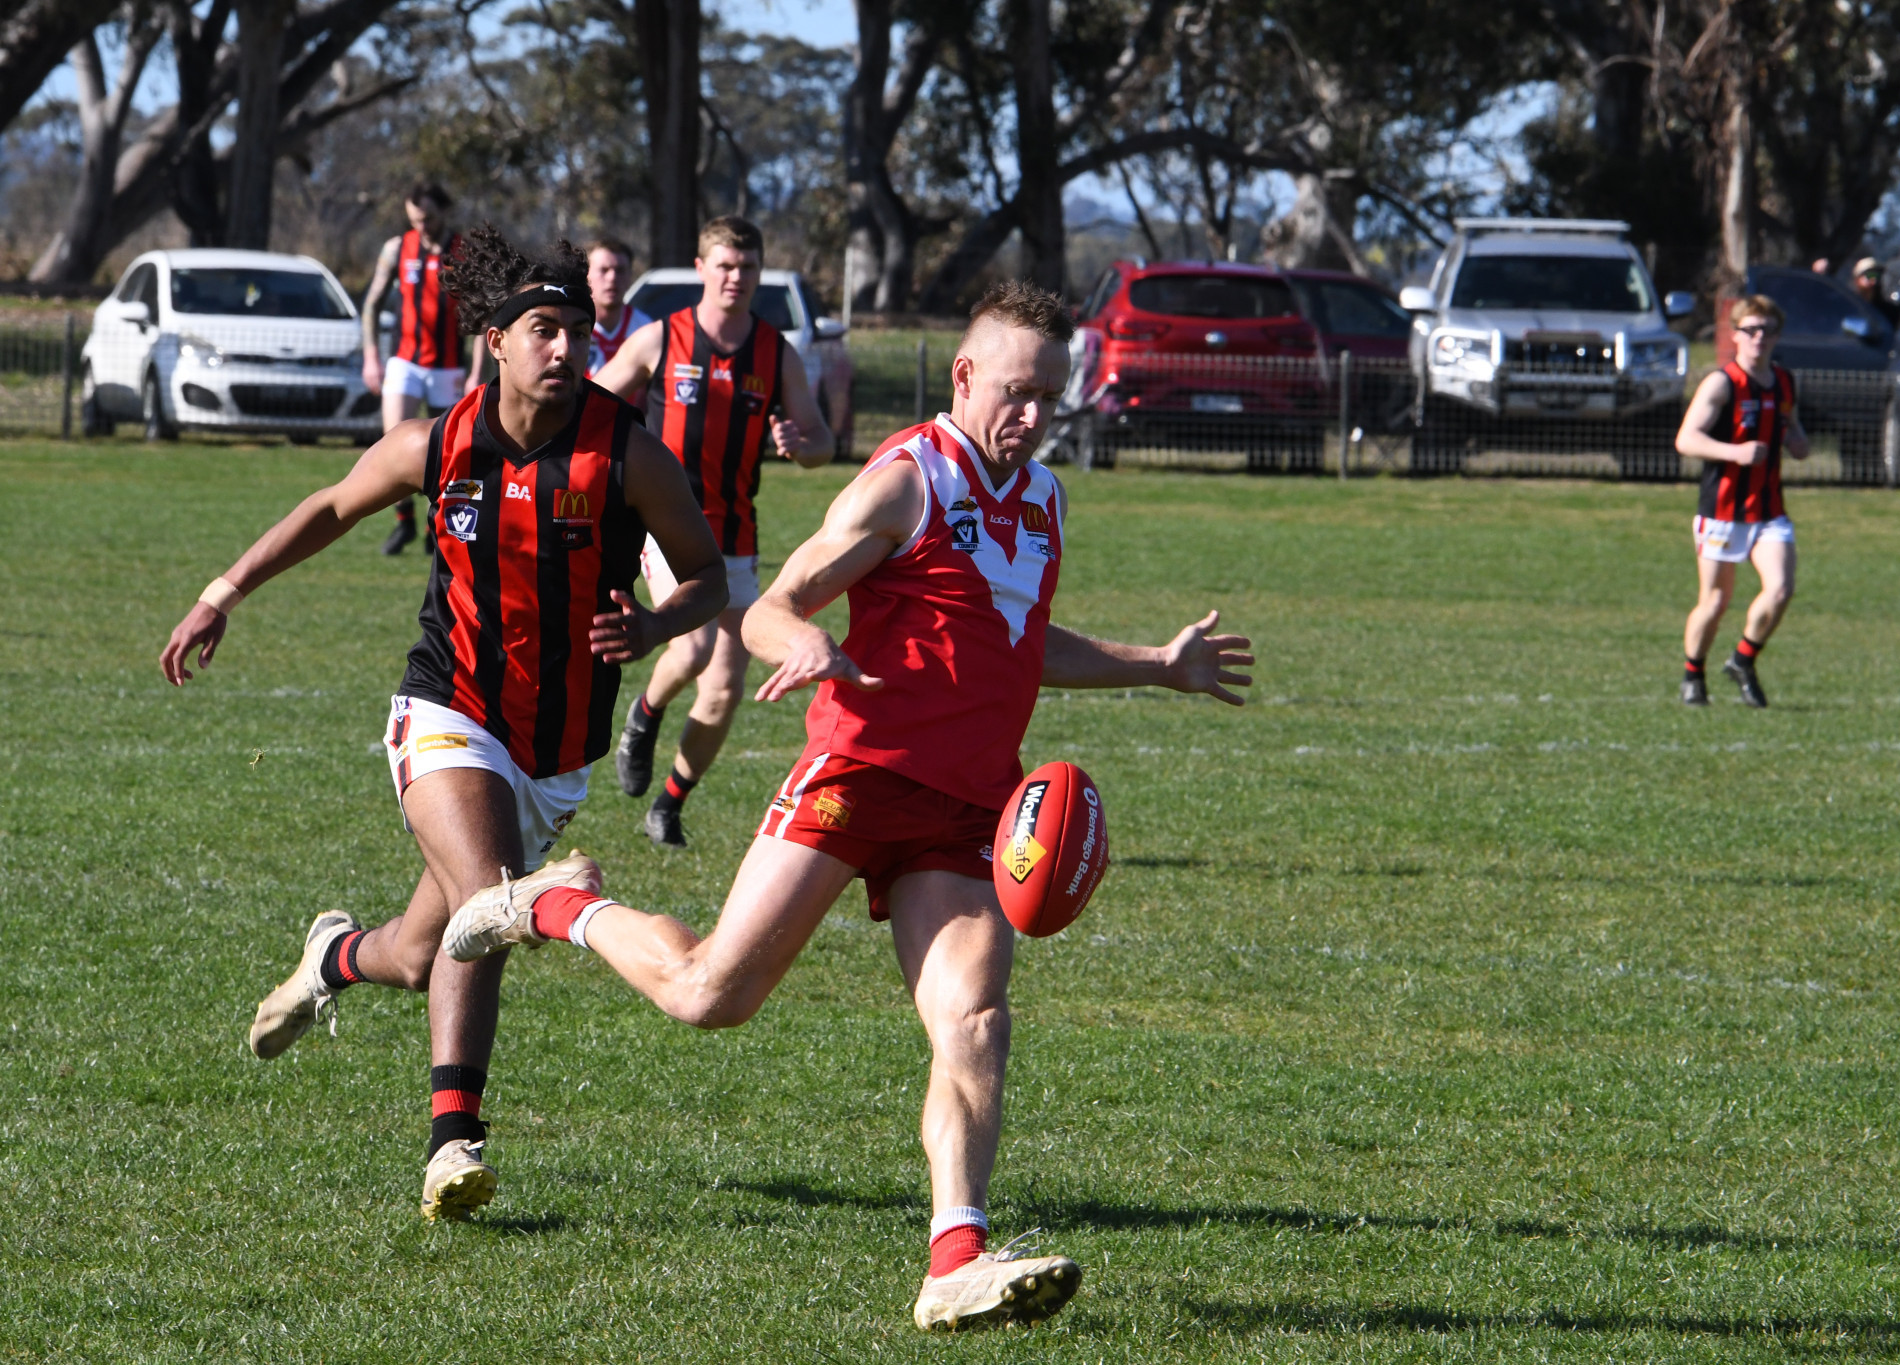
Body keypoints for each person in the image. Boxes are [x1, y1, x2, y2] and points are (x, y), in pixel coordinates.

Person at [439, 281, 1256, 1330]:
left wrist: (1157, 665)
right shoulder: (906, 481)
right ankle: (554, 904)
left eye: (1051, 396)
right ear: (964, 377)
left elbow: (1016, 643)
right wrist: (806, 644)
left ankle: (954, 1259)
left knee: (974, 1020)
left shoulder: (1044, 500)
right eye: (1017, 392)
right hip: (858, 775)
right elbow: (770, 603)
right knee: (709, 995)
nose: (1034, 416)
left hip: (967, 808)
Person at [157, 227, 728, 1221]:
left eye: (578, 334)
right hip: (447, 711)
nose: (565, 349)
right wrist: (223, 590)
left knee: (427, 953)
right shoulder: (440, 442)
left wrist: (652, 622)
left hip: (555, 754)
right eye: (543, 330)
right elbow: (334, 506)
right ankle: (451, 1144)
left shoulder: (628, 455)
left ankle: (332, 953)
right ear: (498, 341)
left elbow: (708, 578)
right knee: (494, 905)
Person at [594, 215, 836, 848]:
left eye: (748, 267)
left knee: (727, 686)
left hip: (735, 535)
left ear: (759, 274)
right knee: (694, 650)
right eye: (725, 265)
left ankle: (669, 804)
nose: (736, 277)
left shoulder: (775, 353)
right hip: (664, 526)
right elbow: (592, 402)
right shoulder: (659, 340)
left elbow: (821, 442)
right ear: (701, 269)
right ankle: (645, 714)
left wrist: (799, 442)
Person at [1676, 293, 1808, 708]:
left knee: (1781, 588)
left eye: (1767, 331)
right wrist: (1734, 452)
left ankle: (1743, 659)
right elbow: (1686, 439)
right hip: (1723, 510)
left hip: (1768, 511)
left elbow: (1792, 428)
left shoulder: (1785, 381)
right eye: (1750, 330)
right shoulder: (1721, 382)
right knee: (1714, 603)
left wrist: (1798, 442)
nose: (1758, 338)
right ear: (1735, 335)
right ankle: (1693, 674)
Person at [360, 180, 483, 556]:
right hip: (405, 361)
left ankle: (440, 523)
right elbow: (372, 303)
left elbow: (480, 315)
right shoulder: (398, 248)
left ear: (443, 212)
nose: (422, 226)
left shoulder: (463, 252)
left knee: (451, 450)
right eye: (415, 219)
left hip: (448, 367)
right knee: (393, 440)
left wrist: (478, 371)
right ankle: (404, 522)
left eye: (428, 218)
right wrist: (371, 355)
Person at [583, 237, 656, 384]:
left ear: (630, 276)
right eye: (604, 270)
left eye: (620, 270)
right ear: (586, 275)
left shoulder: (644, 328)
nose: (612, 278)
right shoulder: (570, 326)